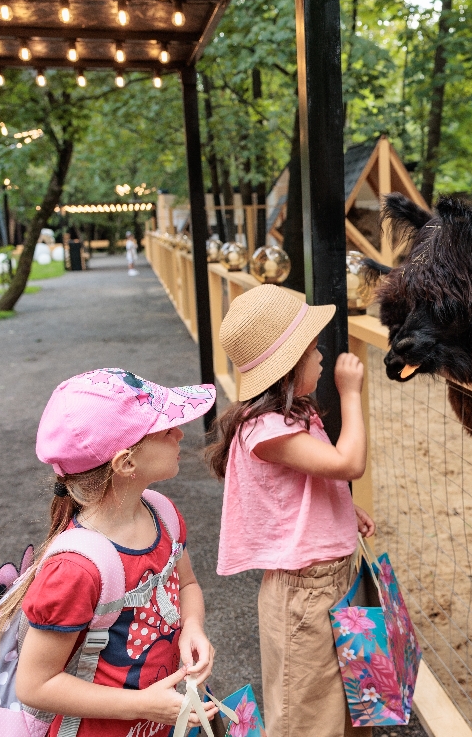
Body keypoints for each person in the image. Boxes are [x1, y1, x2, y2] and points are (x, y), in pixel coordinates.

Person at [0, 368, 220, 736]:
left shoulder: (163, 514)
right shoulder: (75, 569)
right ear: (126, 463)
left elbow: (186, 584)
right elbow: (36, 684)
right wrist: (144, 705)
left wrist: (192, 626)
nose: (179, 433)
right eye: (165, 430)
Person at [205, 285, 376, 737]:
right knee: (306, 718)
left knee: (353, 711)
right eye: (313, 349)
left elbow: (305, 486)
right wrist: (351, 394)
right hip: (304, 595)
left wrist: (343, 509)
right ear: (289, 362)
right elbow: (348, 463)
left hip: (333, 579)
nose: (321, 356)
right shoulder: (266, 430)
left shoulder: (291, 416)